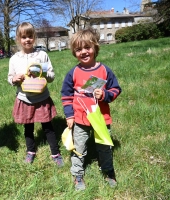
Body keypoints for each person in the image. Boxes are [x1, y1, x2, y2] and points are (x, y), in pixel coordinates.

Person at [61, 28, 122, 190]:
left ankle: (108, 171)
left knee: (104, 147)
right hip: (80, 119)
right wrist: (69, 115)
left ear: (95, 47)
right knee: (79, 148)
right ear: (74, 53)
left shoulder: (104, 70)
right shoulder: (73, 73)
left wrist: (104, 95)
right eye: (78, 49)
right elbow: (66, 96)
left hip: (101, 119)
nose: (84, 52)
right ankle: (78, 174)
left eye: (87, 47)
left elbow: (116, 90)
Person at [8, 22, 64, 167]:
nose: (27, 40)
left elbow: (51, 76)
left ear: (34, 37)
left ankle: (55, 153)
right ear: (18, 39)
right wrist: (14, 79)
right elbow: (10, 78)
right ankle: (30, 151)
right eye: (23, 37)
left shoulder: (42, 55)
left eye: (30, 36)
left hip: (41, 97)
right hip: (24, 98)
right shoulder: (14, 59)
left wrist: (43, 73)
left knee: (48, 127)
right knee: (28, 127)